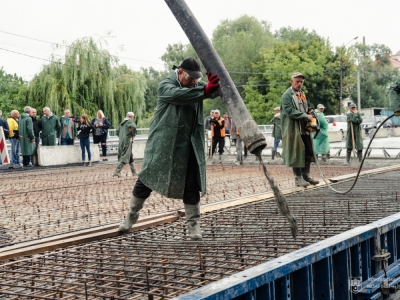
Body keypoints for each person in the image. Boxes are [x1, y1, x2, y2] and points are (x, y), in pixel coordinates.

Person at [118, 57, 220, 240]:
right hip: (163, 143)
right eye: (191, 80)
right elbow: (178, 96)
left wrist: (217, 81)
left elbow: (211, 91)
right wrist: (204, 90)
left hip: (189, 144)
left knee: (191, 185)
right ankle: (130, 217)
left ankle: (193, 226)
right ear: (180, 72)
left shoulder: (195, 83)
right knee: (146, 179)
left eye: (196, 81)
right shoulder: (166, 85)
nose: (194, 84)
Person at [280, 72, 319, 187]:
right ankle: (298, 178)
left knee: (308, 151)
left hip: (304, 129)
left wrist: (310, 111)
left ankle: (306, 176)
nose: (299, 83)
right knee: (296, 153)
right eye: (297, 81)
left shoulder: (302, 94)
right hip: (293, 130)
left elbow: (304, 108)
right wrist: (305, 116)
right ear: (291, 81)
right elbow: (289, 111)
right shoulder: (287, 95)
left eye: (301, 81)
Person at [113, 112, 137, 177]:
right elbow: (134, 127)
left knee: (130, 156)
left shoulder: (122, 123)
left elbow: (117, 131)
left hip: (121, 141)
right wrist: (133, 134)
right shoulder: (129, 122)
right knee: (125, 156)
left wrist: (122, 136)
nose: (133, 119)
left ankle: (134, 172)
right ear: (131, 117)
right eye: (133, 117)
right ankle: (117, 171)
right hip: (127, 141)